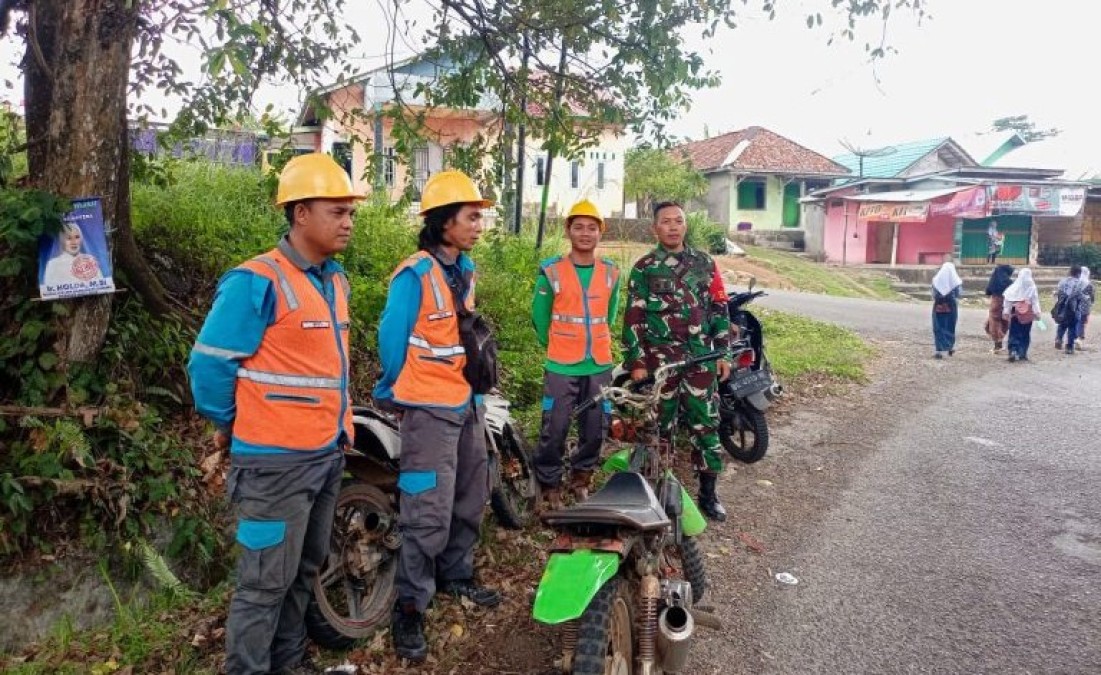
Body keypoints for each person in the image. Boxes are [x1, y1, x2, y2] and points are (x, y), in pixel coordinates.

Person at [188, 152, 363, 675]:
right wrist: (235, 426)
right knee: (263, 585)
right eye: (337, 211)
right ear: (300, 213)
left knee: (304, 570)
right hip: (272, 467)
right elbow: (209, 366)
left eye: (351, 212)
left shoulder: (335, 282)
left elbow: (331, 369)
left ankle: (289, 663)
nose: (348, 222)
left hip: (325, 457)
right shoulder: (256, 281)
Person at [374, 170, 501, 663]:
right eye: (471, 216)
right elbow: (393, 337)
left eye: (479, 216)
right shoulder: (414, 274)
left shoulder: (463, 269)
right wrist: (394, 388)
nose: (478, 225)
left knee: (470, 493)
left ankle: (457, 575)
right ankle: (410, 605)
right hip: (427, 408)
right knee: (426, 509)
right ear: (444, 221)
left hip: (466, 402)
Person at [623, 201, 733, 522]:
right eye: (665, 222)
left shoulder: (705, 264)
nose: (672, 226)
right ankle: (659, 493)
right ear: (655, 228)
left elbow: (720, 308)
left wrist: (723, 351)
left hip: (701, 361)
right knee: (658, 429)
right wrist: (638, 362)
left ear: (686, 226)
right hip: (661, 366)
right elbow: (634, 318)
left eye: (678, 221)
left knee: (706, 426)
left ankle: (708, 495)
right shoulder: (645, 267)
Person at [532, 199, 621, 510]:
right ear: (568, 230)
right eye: (579, 227)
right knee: (554, 427)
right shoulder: (551, 270)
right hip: (561, 364)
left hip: (598, 363)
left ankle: (581, 480)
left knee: (596, 427)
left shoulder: (611, 273)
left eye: (592, 228)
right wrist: (558, 343)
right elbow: (540, 318)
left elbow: (609, 316)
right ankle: (550, 484)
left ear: (600, 233)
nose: (585, 233)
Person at [41, 222, 104, 287]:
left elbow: (101, 284)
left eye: (77, 237)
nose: (74, 242)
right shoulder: (53, 264)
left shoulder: (90, 260)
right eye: (69, 238)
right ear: (62, 241)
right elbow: (49, 289)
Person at [1002, 267, 1041, 362]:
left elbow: (1008, 300)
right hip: (1027, 314)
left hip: (1015, 313)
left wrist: (1006, 312)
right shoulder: (1032, 286)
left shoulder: (1015, 286)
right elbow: (1035, 301)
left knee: (1014, 332)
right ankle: (1022, 353)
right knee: (1025, 333)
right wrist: (1037, 312)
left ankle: (1013, 351)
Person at [930, 261, 963, 359]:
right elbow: (959, 294)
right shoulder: (956, 281)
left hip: (938, 305)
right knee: (950, 326)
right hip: (951, 305)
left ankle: (939, 350)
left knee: (939, 326)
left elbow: (933, 294)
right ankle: (949, 347)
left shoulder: (936, 280)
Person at [1054, 265, 1087, 355]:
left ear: (1070, 272)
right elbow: (1082, 297)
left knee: (1062, 324)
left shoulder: (1063, 281)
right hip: (1074, 309)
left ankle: (1059, 339)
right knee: (1072, 327)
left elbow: (1058, 293)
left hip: (1062, 308)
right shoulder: (1080, 283)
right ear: (1079, 273)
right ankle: (1069, 347)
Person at [983, 264, 1014, 354]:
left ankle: (998, 344)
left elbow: (988, 291)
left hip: (996, 302)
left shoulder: (995, 280)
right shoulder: (1010, 282)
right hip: (1007, 303)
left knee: (994, 322)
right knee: (1004, 321)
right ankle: (1000, 339)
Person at [1077, 267, 1094, 348]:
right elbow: (1092, 296)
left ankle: (1076, 337)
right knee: (1082, 321)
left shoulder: (1076, 282)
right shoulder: (1089, 284)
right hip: (1085, 306)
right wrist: (1092, 303)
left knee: (1077, 321)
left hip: (1076, 304)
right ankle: (1079, 338)